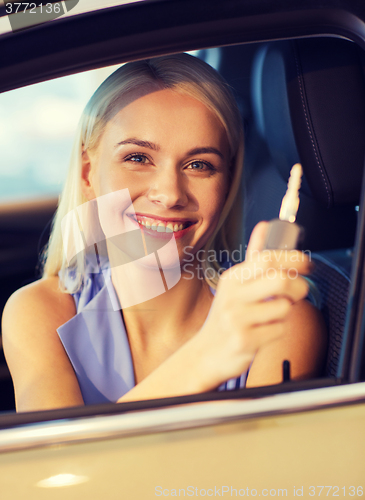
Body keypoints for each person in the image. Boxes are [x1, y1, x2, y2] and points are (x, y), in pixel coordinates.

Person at [1, 54, 327, 412]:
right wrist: (206, 356)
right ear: (87, 174)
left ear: (227, 184)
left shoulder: (278, 321)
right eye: (138, 158)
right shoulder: (39, 312)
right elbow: (58, 466)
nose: (170, 193)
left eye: (199, 165)